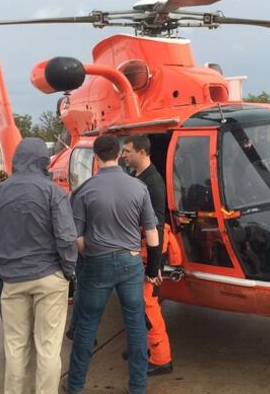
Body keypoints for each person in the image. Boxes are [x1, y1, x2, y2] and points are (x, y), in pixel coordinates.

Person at [67, 135, 161, 394]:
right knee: (135, 325)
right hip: (131, 263)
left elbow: (77, 237)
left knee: (86, 325)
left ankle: (75, 385)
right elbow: (152, 235)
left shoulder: (84, 191)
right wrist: (153, 270)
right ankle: (138, 387)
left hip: (97, 263)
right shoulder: (138, 188)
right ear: (119, 153)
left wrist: (90, 251)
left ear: (96, 157)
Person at [0, 138, 77, 394]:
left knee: (15, 346)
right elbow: (66, 238)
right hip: (49, 276)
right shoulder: (53, 192)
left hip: (12, 278)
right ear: (42, 161)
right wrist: (68, 272)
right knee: (48, 347)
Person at [121, 134, 173, 376]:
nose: (123, 154)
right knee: (135, 304)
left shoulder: (152, 183)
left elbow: (158, 224)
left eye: (128, 150)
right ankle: (141, 348)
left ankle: (161, 359)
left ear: (142, 152)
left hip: (149, 250)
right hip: (140, 249)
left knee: (146, 305)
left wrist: (155, 266)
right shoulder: (138, 177)